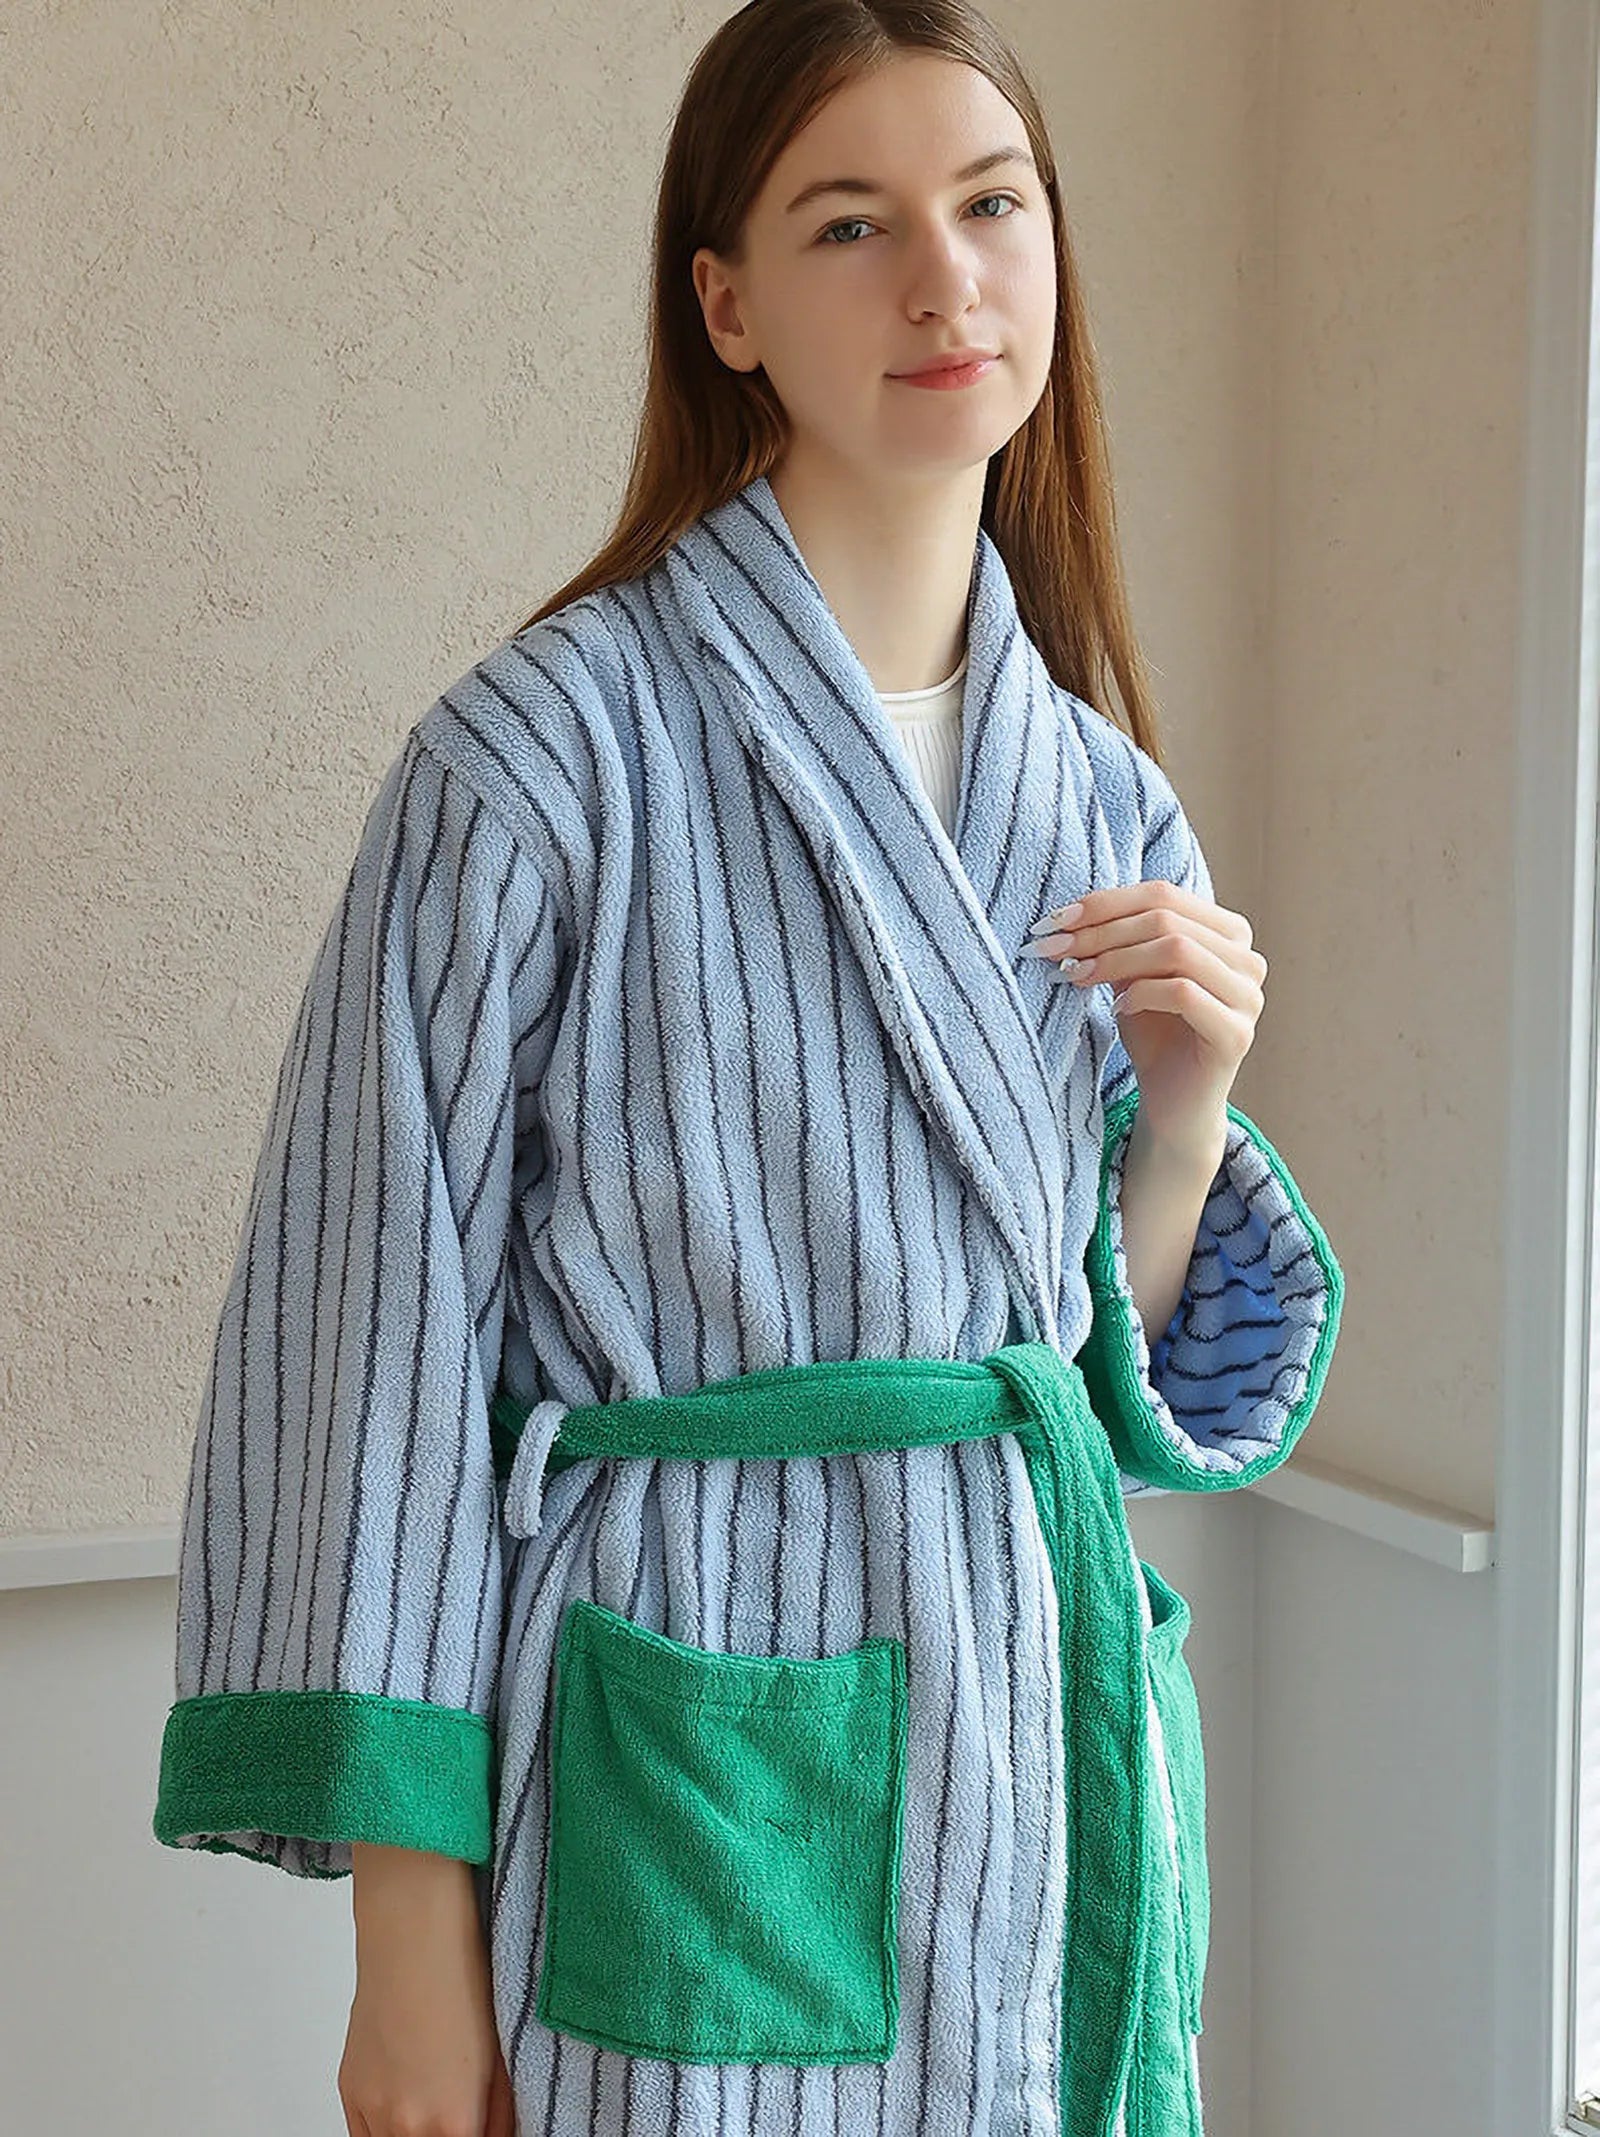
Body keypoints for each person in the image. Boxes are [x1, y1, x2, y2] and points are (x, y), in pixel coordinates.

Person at [152, 5, 1344, 2135]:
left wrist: (1177, 1116)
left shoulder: (1103, 800)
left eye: (989, 206)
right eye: (846, 223)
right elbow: (370, 1343)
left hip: (1031, 1752)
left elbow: (1101, 1384)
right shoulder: (538, 761)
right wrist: (408, 1968)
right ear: (726, 306)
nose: (939, 278)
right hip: (698, 1732)